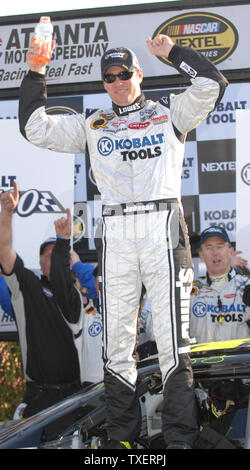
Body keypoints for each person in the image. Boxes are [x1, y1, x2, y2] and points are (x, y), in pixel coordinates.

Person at [18, 34, 228, 449]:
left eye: (124, 73)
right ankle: (121, 447)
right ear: (104, 83)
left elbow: (212, 85)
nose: (117, 81)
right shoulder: (93, 125)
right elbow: (34, 127)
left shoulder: (168, 112)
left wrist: (173, 53)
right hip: (116, 232)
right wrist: (37, 69)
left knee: (173, 345)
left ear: (139, 73)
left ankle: (180, 444)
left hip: (162, 228)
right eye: (109, 77)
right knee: (117, 351)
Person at [0, 181, 85, 419]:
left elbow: (61, 277)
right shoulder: (26, 286)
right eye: (49, 255)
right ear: (39, 263)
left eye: (60, 255)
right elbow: (4, 250)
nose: (56, 259)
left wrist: (62, 244)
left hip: (75, 394)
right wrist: (6, 214)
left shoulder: (74, 297)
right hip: (40, 396)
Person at [190, 226, 250, 343]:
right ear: (201, 255)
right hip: (204, 360)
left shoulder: (247, 285)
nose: (215, 253)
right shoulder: (190, 291)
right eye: (209, 248)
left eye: (220, 247)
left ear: (231, 252)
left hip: (242, 360)